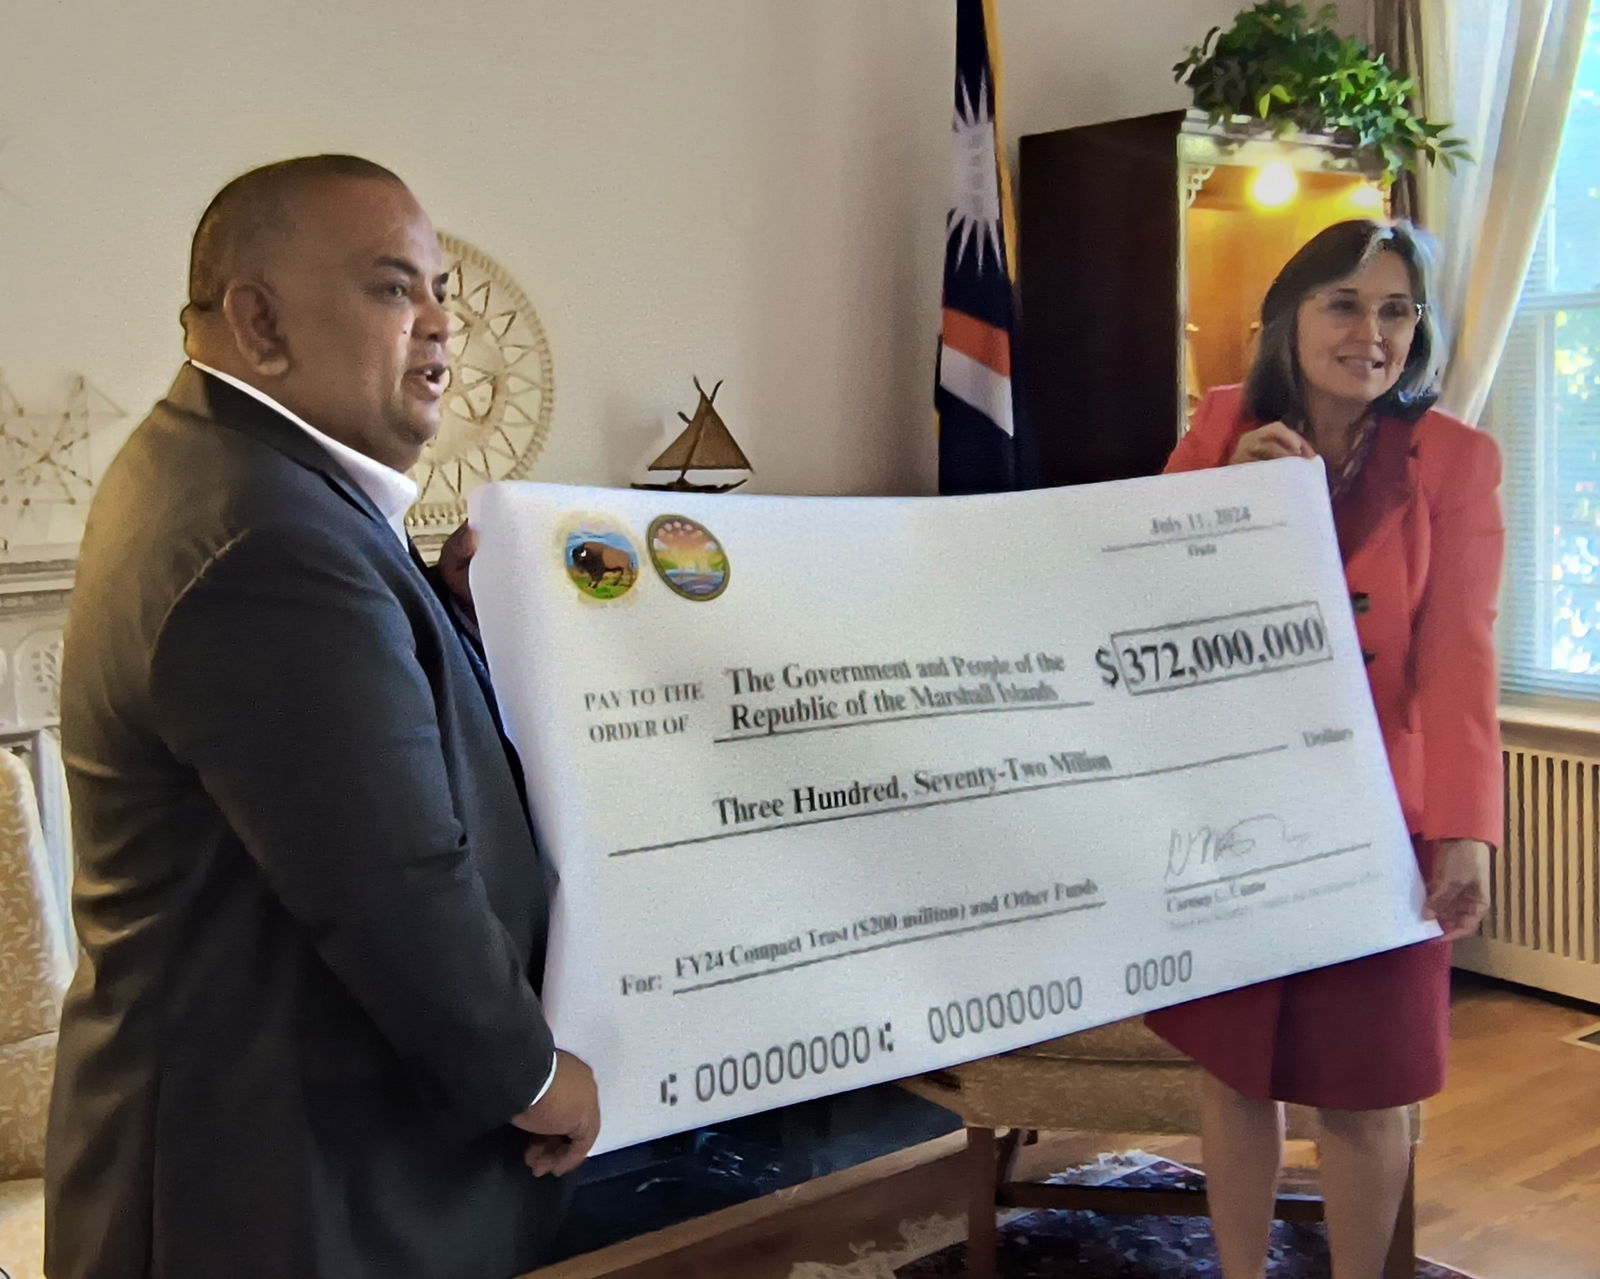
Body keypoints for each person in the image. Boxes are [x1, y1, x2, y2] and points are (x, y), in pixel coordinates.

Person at [45, 155, 599, 1279]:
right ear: (257, 319)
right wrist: (532, 1077)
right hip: (267, 1193)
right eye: (395, 289)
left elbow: (324, 758)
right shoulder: (268, 538)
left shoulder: (240, 477)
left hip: (282, 1160)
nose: (443, 326)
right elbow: (392, 884)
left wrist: (443, 622)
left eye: (440, 289)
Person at [1146, 219, 1503, 1279]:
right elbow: (1143, 606)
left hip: (1378, 815)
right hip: (1235, 806)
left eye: (1397, 309)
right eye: (1343, 304)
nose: (1372, 331)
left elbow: (1459, 655)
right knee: (1237, 1073)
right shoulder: (1217, 430)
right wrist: (1223, 505)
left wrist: (1465, 829)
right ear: (1288, 319)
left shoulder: (1457, 458)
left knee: (1365, 1081)